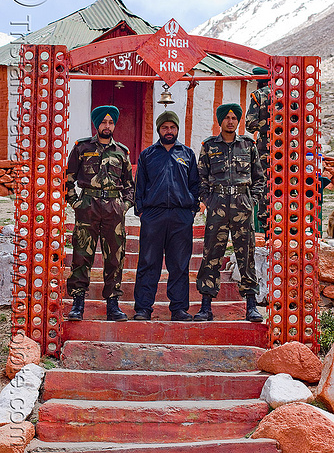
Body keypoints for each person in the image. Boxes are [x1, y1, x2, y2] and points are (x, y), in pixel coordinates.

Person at [195, 103, 265, 322]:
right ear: (220, 121)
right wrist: (208, 200)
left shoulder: (248, 145)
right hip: (218, 206)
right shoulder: (209, 146)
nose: (231, 121)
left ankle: (251, 305)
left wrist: (251, 200)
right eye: (227, 118)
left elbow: (259, 178)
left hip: (242, 206)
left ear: (238, 121)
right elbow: (200, 178)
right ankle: (206, 306)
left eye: (234, 118)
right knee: (212, 255)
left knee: (246, 255)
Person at [66, 105, 134, 322]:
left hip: (113, 209)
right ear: (97, 124)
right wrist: (75, 202)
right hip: (87, 207)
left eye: (110, 122)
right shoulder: (81, 148)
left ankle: (113, 304)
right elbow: (68, 179)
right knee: (81, 255)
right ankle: (78, 304)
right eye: (103, 122)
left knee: (115, 257)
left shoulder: (121, 152)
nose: (107, 126)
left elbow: (130, 185)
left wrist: (124, 205)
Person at [133, 111, 199, 321]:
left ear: (177, 129)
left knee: (179, 264)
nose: (168, 131)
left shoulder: (187, 154)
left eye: (172, 127)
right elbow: (139, 186)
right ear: (158, 129)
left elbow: (195, 184)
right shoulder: (148, 155)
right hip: (153, 215)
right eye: (164, 127)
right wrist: (142, 210)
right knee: (148, 261)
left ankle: (179, 309)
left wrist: (192, 209)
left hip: (181, 216)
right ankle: (143, 308)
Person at [245, 67, 270, 236]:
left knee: (264, 183)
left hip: (266, 147)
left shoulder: (259, 95)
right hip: (289, 149)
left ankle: (265, 223)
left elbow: (250, 124)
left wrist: (267, 127)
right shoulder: (289, 94)